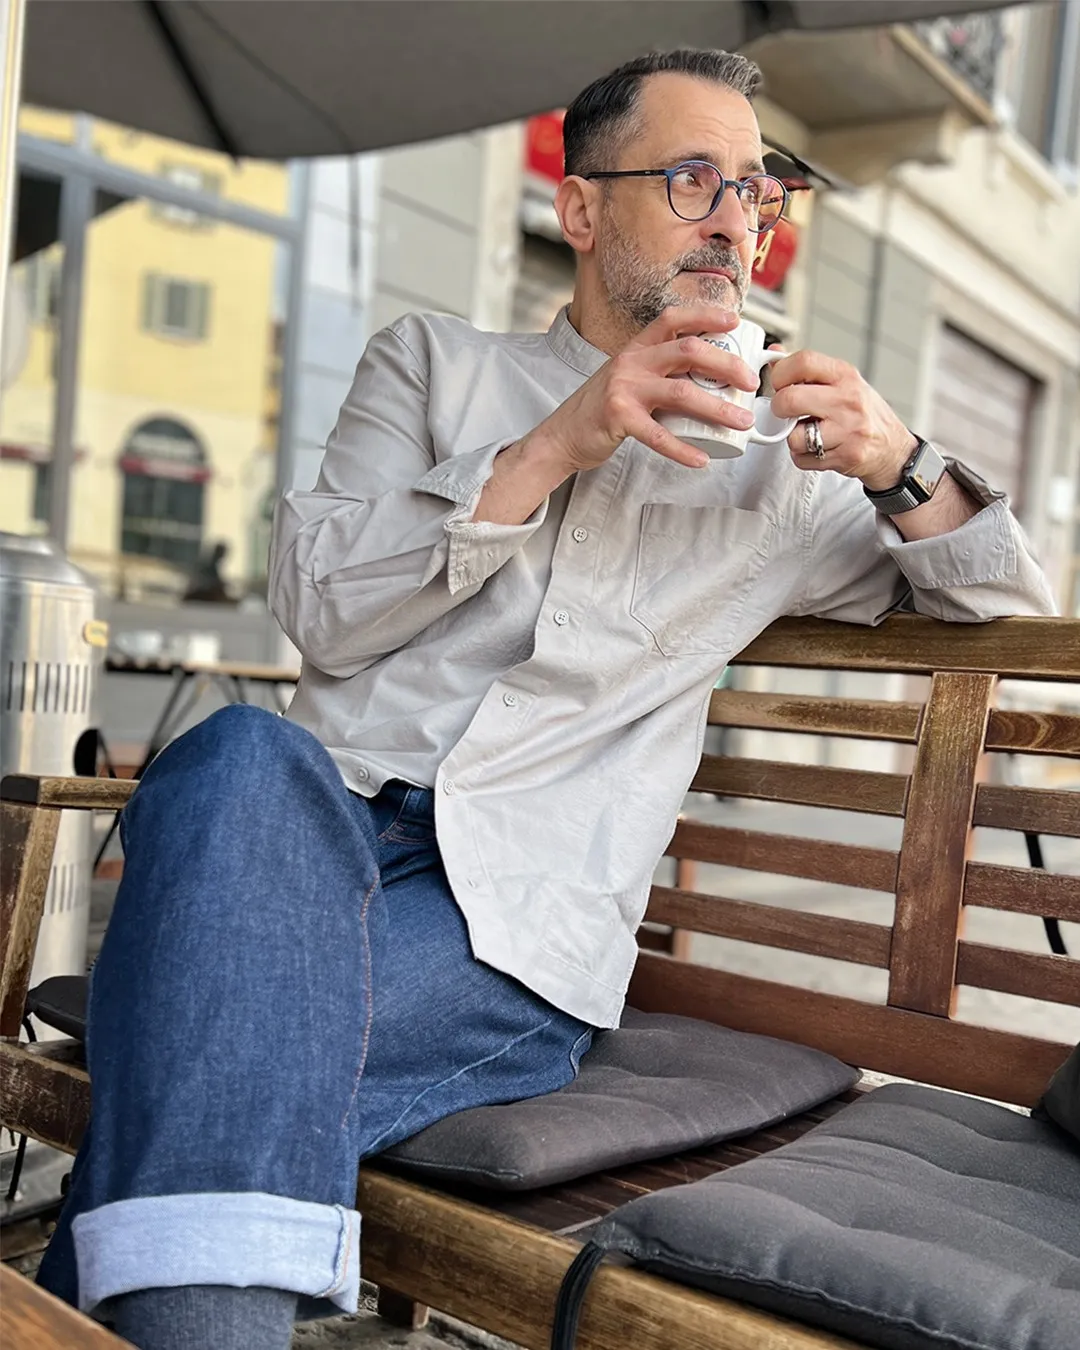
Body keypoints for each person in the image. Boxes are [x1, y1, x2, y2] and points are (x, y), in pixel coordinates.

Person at [38, 48, 1054, 1350]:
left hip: (510, 922)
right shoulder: (431, 365)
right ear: (580, 208)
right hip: (301, 834)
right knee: (236, 751)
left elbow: (1007, 615)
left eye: (758, 188)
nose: (736, 218)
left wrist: (903, 461)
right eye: (694, 178)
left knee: (209, 1029)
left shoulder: (783, 475)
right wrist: (562, 439)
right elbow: (321, 605)